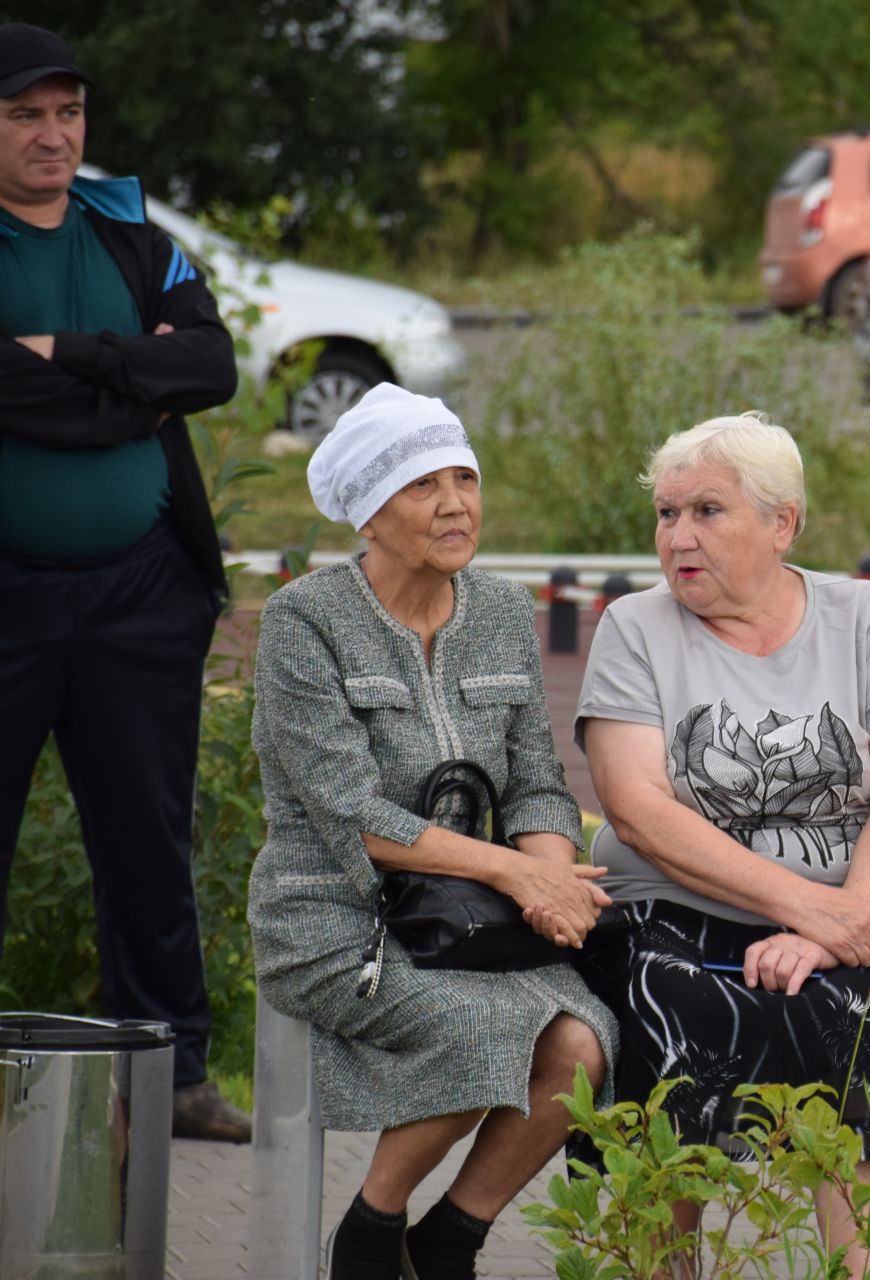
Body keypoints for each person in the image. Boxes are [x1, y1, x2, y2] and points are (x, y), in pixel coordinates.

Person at [249, 385, 618, 1280]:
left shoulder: (498, 612)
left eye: (466, 477)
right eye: (423, 485)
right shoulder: (305, 622)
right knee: (482, 1032)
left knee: (584, 1041)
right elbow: (350, 811)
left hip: (464, 914)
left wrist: (553, 884)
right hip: (332, 917)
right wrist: (518, 878)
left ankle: (449, 1238)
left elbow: (536, 780)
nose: (455, 503)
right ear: (369, 514)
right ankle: (370, 1235)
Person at [574, 413, 870, 1275]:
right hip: (674, 921)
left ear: (784, 523)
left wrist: (832, 927)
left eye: (707, 511)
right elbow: (637, 809)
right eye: (666, 515)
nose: (679, 537)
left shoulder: (860, 615)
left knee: (850, 1030)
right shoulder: (636, 628)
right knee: (671, 1022)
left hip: (838, 928)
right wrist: (802, 906)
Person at [0, 23, 248, 1141]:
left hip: (143, 595)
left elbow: (212, 364)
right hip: (9, 598)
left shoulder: (131, 232)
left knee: (148, 836)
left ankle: (176, 1073)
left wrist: (75, 353)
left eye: (68, 113)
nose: (54, 135)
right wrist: (133, 385)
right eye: (25, 115)